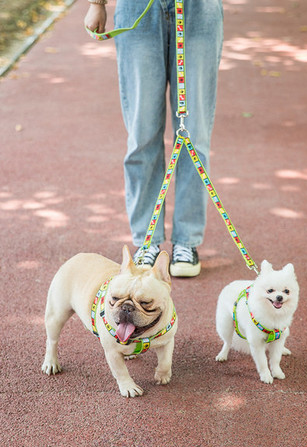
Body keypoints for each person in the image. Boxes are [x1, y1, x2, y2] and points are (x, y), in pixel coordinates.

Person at [85, 0, 223, 277]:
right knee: (142, 135)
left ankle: (186, 241)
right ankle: (147, 240)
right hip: (138, 8)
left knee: (193, 135)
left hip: (199, 10)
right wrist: (97, 3)